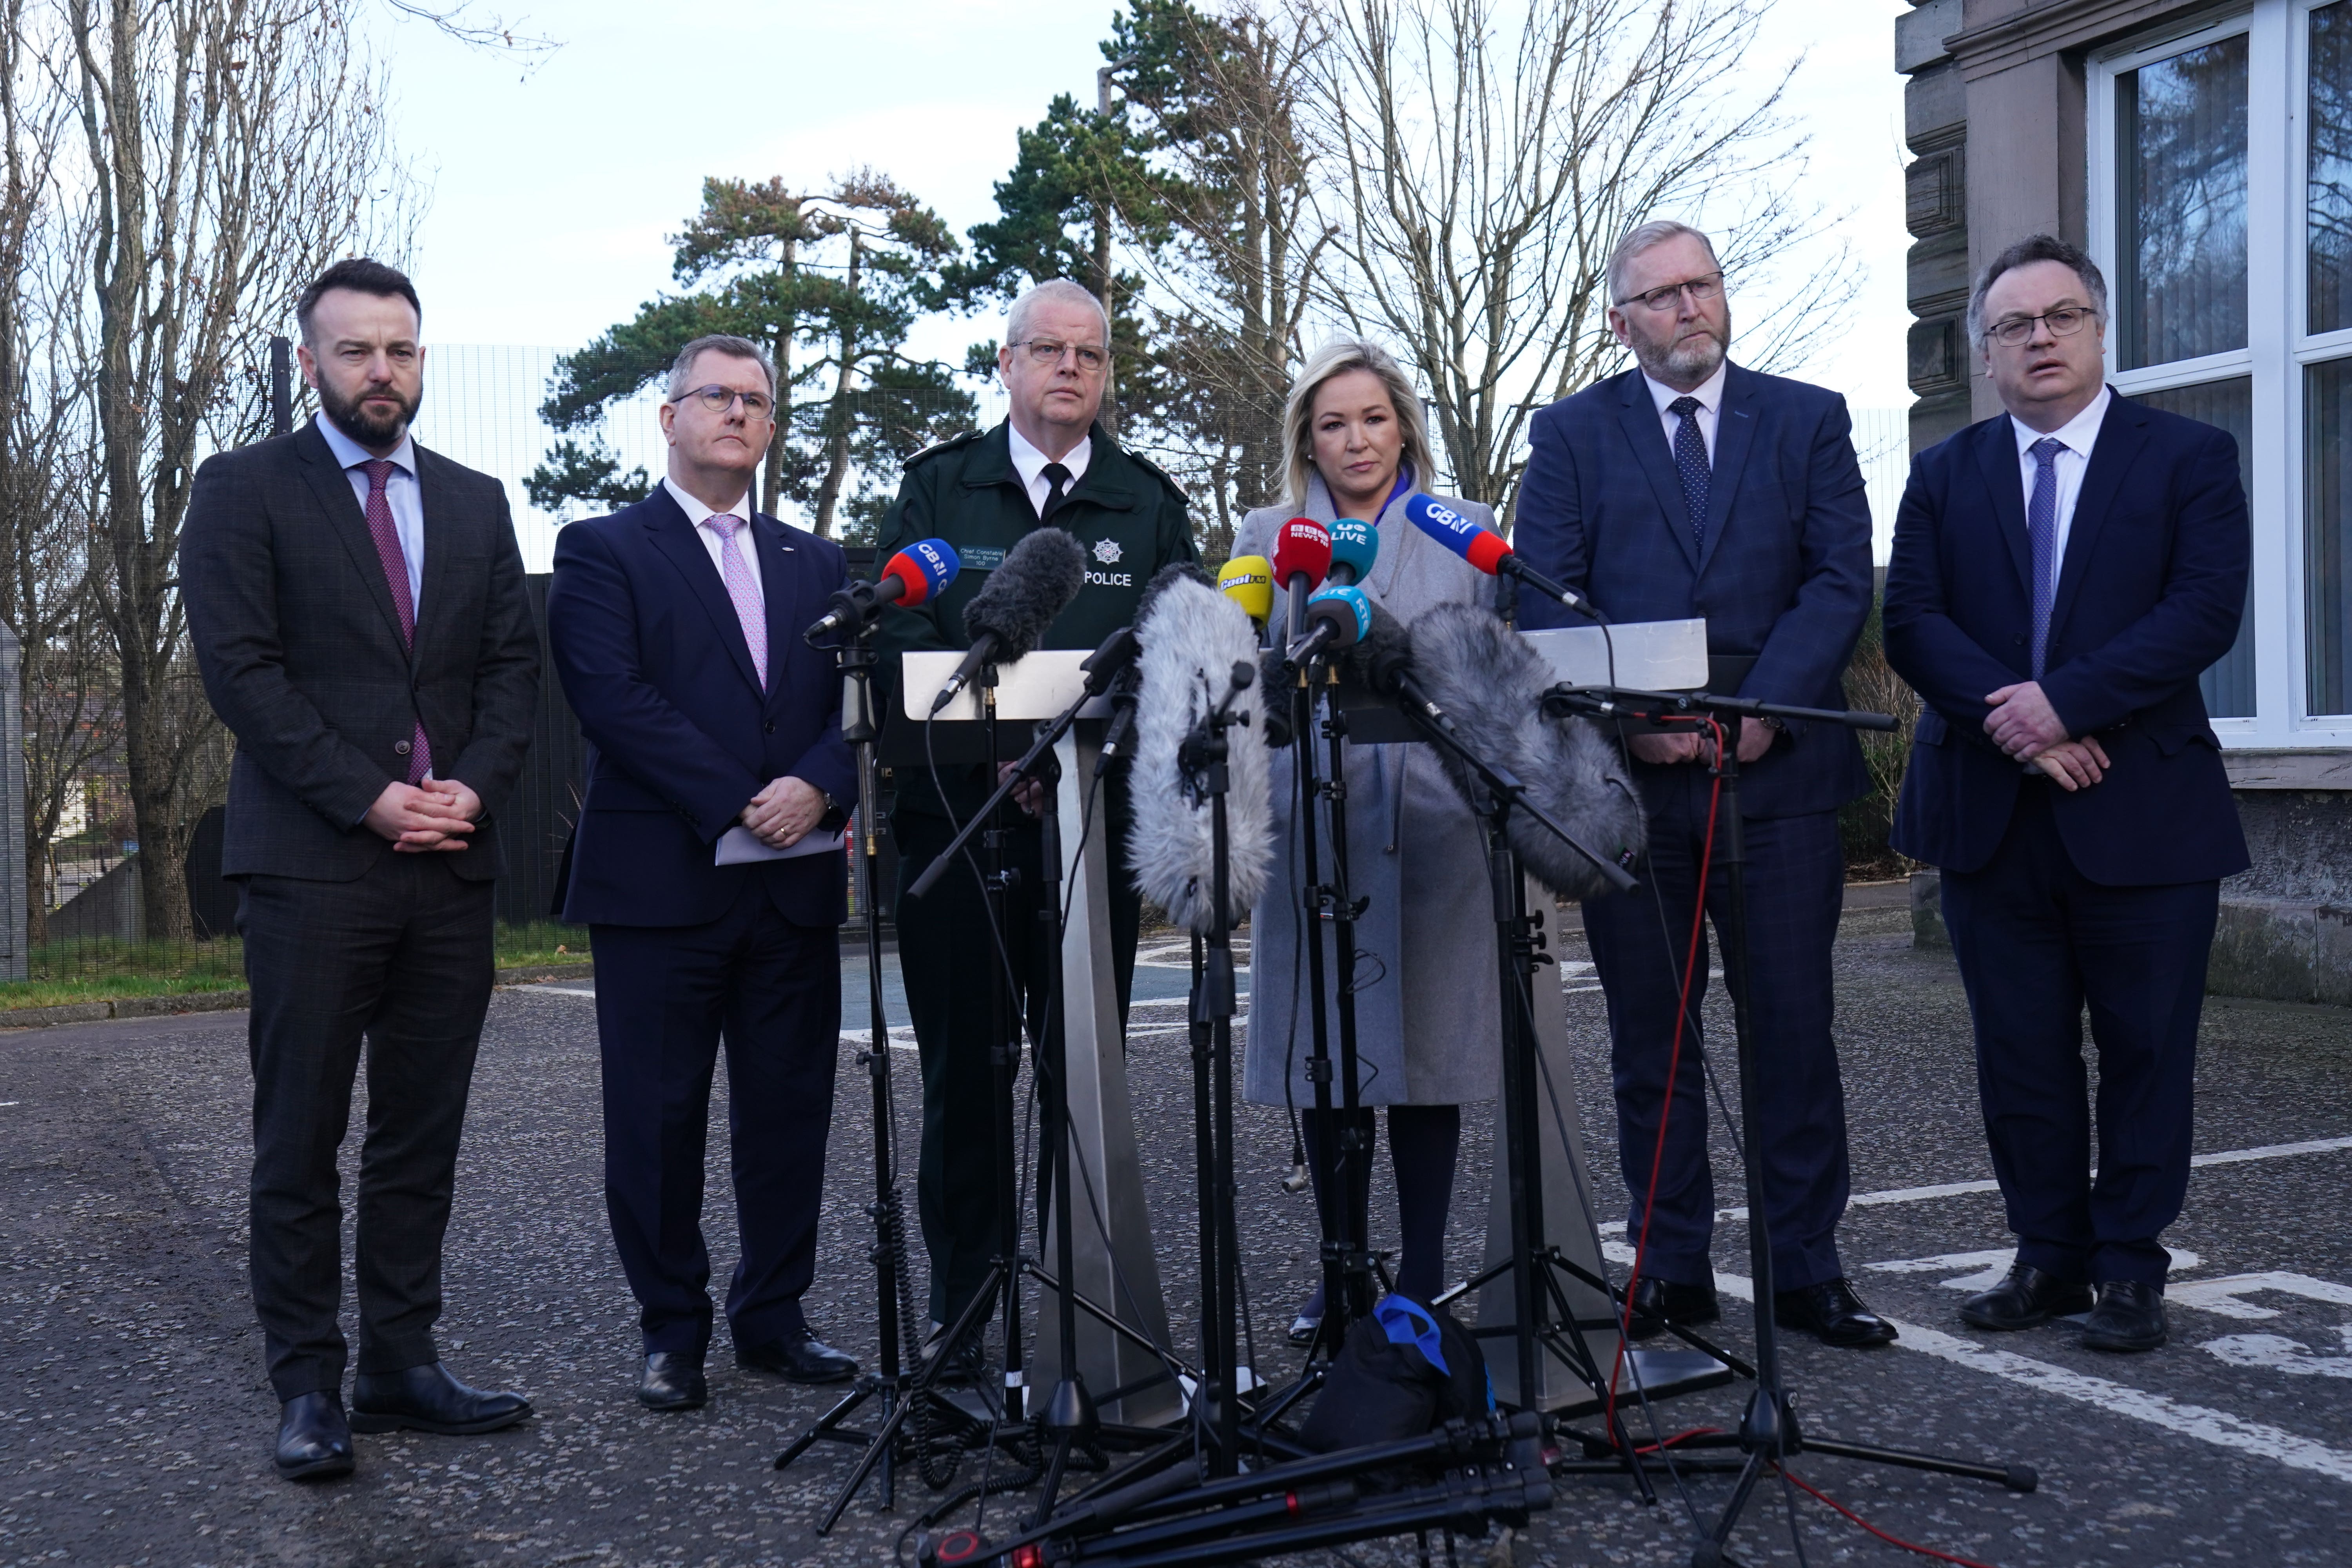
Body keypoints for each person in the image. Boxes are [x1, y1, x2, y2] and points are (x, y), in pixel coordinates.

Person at [182, 259, 541, 1481]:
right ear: (309, 364)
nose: (381, 372)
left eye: (400, 350)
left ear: (422, 359)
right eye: (355, 352)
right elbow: (243, 674)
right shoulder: (242, 490)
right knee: (300, 1135)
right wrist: (369, 796)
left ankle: (400, 1364)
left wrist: (474, 790)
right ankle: (309, 1387)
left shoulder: (479, 501)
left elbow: (510, 673)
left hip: (451, 862)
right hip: (313, 866)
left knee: (419, 1135)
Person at [1513, 220, 1892, 1347]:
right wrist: (1637, 727)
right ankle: (1671, 1263)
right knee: (1653, 1037)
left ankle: (1809, 1268)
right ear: (1620, 319)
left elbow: (1838, 576)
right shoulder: (1573, 435)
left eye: (1704, 286)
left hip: (1777, 776)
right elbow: (1545, 596)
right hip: (1634, 788)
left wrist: (1760, 711)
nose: (1691, 309)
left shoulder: (1809, 419)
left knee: (1791, 1029)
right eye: (1662, 295)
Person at [1884, 236, 2249, 1354]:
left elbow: (2201, 613)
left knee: (2147, 1050)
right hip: (1995, 817)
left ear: (2099, 330)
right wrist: (2021, 723)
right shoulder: (1947, 474)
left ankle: (2132, 1268)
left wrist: (2066, 705)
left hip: (2145, 810)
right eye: (2013, 326)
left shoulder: (2188, 457)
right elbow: (1913, 624)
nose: (2039, 338)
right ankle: (2049, 1256)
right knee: (2022, 1055)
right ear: (1988, 355)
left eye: (2061, 317)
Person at [873, 278, 1196, 1368]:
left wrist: (1072, 758)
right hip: (956, 831)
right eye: (1047, 351)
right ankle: (964, 1324)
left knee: (1082, 1076)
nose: (1070, 369)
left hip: (1091, 835)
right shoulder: (935, 492)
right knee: (967, 1078)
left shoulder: (1145, 503)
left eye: (1090, 356)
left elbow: (1177, 651)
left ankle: (1083, 1311)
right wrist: (998, 750)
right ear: (1004, 365)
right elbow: (897, 646)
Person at [546, 334, 862, 1412]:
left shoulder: (819, 565)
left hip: (794, 883)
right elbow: (612, 697)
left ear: (772, 430)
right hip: (661, 886)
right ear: (668, 417)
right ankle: (671, 1330)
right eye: (715, 396)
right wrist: (745, 796)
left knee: (788, 1112)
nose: (736, 413)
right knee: (658, 1117)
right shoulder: (602, 549)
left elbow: (852, 711)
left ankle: (774, 1317)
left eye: (757, 401)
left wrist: (818, 786)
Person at [1235, 338, 1500, 1342]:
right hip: (1315, 819)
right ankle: (1341, 1263)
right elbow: (1251, 671)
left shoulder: (1466, 530)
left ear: (1406, 427)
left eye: (1375, 419)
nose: (1356, 440)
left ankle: (1423, 1270)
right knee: (1327, 1054)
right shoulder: (1269, 533)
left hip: (1434, 823)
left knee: (1430, 1051)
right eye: (1334, 422)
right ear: (1308, 432)